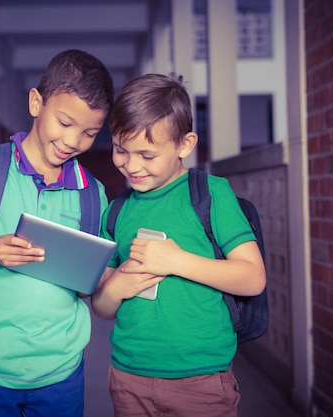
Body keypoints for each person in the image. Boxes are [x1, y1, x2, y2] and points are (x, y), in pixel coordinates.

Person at [0, 49, 114, 417]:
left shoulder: (92, 193)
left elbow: (85, 287)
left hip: (60, 371)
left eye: (89, 133)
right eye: (64, 122)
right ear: (36, 102)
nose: (73, 141)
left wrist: (95, 277)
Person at [91, 73, 266, 417]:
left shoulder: (211, 194)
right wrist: (117, 287)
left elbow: (252, 277)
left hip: (200, 382)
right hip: (129, 377)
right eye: (120, 150)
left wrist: (175, 261)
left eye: (147, 154)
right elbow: (102, 307)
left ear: (185, 145)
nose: (132, 165)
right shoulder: (117, 211)